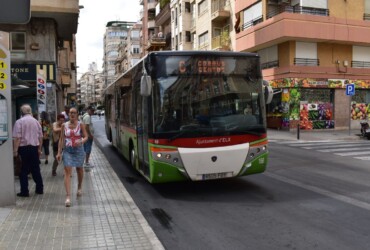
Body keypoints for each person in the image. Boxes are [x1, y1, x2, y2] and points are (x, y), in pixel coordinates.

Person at [56, 107, 88, 207]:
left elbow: (86, 136)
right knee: (67, 171)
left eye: (74, 113)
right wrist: (59, 152)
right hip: (68, 151)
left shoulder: (80, 124)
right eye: (70, 113)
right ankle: (68, 196)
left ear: (77, 114)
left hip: (79, 150)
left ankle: (79, 187)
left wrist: (82, 141)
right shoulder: (64, 125)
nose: (72, 114)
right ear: (68, 114)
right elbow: (61, 139)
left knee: (79, 169)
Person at [12, 104, 44, 197]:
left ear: (22, 112)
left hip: (23, 149)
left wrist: (15, 151)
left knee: (23, 171)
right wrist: (39, 149)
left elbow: (17, 138)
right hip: (34, 148)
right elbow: (40, 137)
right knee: (36, 169)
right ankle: (39, 189)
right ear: (30, 111)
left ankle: (24, 191)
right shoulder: (36, 122)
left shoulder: (19, 122)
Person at [81, 105, 95, 171]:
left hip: (85, 135)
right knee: (88, 149)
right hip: (88, 136)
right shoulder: (87, 117)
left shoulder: (85, 116)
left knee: (85, 148)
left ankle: (85, 162)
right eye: (92, 110)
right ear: (88, 110)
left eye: (93, 111)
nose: (93, 112)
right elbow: (86, 127)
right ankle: (86, 162)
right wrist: (90, 135)